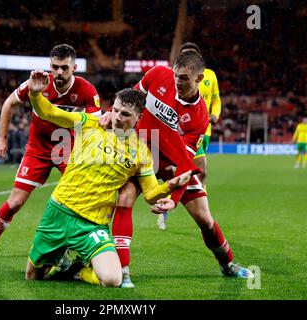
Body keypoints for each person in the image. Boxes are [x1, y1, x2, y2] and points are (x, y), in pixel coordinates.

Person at [25, 70, 192, 287]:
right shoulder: (90, 123)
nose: (117, 118)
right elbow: (51, 113)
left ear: (139, 118)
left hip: (93, 225)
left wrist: (169, 186)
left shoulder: (141, 151)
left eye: (125, 115)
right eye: (116, 110)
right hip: (59, 211)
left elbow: (150, 195)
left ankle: (78, 271)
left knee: (113, 280)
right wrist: (36, 96)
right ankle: (61, 258)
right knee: (33, 276)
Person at [101, 50, 253, 288]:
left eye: (183, 78)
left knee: (204, 218)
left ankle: (227, 264)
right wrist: (111, 113)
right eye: (175, 76)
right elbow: (129, 99)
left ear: (199, 79)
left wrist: (174, 199)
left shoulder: (200, 118)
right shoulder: (157, 75)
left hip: (172, 165)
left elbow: (183, 166)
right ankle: (124, 271)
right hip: (140, 154)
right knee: (124, 199)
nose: (177, 82)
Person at [0, 44, 101, 261]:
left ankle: (71, 251)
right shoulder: (38, 83)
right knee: (15, 201)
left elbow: (96, 123)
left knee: (75, 202)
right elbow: (9, 103)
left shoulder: (87, 90)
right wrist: (1, 137)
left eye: (64, 68)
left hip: (67, 151)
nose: (59, 72)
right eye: (55, 67)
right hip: (37, 150)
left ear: (74, 67)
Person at [157, 42, 221, 230]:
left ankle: (201, 210)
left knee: (198, 172)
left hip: (201, 129)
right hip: (175, 130)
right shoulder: (173, 76)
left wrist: (215, 114)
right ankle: (167, 208)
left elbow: (216, 99)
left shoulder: (209, 75)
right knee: (182, 168)